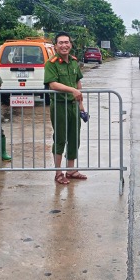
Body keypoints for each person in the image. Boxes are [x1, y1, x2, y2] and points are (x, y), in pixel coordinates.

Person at [44, 32, 87, 185]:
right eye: (61, 43)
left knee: (75, 137)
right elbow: (53, 84)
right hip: (60, 106)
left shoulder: (74, 62)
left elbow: (78, 83)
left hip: (73, 106)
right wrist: (72, 90)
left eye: (66, 42)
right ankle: (58, 173)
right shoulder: (52, 63)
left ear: (71, 44)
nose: (64, 45)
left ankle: (71, 170)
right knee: (60, 138)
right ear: (55, 46)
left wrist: (81, 107)